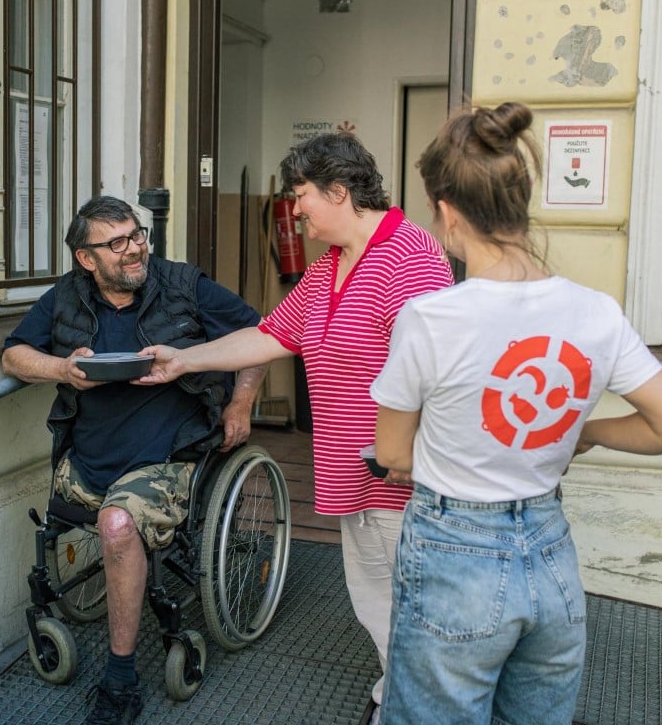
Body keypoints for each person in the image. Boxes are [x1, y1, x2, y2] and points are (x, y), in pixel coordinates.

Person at [369, 102, 662, 724]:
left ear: (446, 212)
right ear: (522, 203)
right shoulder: (596, 312)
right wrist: (586, 434)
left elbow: (391, 455)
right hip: (552, 558)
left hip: (454, 554)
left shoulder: (431, 318)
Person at [137, 131, 453, 722]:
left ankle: (420, 707)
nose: (296, 207)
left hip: (399, 473)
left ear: (339, 191)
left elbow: (437, 373)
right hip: (352, 467)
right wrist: (185, 358)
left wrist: (405, 458)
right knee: (378, 600)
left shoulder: (410, 257)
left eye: (302, 193)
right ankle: (402, 691)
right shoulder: (332, 264)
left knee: (418, 607)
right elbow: (269, 335)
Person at [1, 195, 266, 725]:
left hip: (167, 455)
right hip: (90, 456)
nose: (134, 249)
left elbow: (257, 334)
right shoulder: (67, 297)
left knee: (117, 524)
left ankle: (120, 676)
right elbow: (13, 354)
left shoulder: (183, 285)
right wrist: (61, 367)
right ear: (86, 258)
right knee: (93, 521)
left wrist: (240, 402)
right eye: (116, 242)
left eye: (136, 235)